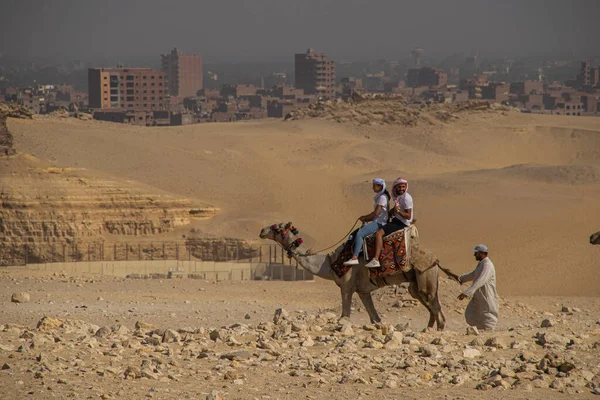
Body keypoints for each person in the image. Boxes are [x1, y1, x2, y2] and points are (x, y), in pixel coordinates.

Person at [366, 177, 413, 268]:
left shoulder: (406, 198)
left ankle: (375, 259)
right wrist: (391, 212)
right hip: (397, 220)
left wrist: (398, 212)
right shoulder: (399, 197)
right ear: (395, 188)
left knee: (379, 233)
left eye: (403, 187)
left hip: (401, 223)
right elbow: (397, 209)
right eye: (399, 187)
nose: (401, 189)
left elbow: (408, 216)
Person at [343, 178, 390, 266]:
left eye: (374, 186)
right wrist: (366, 219)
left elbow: (376, 213)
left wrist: (365, 217)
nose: (372, 188)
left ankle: (355, 257)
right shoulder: (381, 197)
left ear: (379, 186)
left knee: (360, 234)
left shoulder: (382, 198)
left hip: (379, 223)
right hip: (377, 221)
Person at [457, 244, 499, 330]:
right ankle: (479, 330)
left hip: (486, 295)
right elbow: (473, 274)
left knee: (487, 314)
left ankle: (489, 332)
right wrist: (459, 278)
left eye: (476, 253)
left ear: (481, 253)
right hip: (479, 295)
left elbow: (481, 280)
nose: (474, 255)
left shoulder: (487, 265)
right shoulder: (482, 264)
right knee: (471, 312)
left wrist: (467, 292)